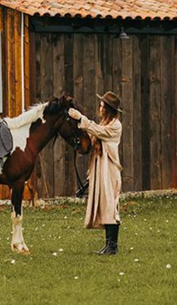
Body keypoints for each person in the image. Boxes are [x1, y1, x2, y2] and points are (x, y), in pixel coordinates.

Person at [68, 91, 123, 256]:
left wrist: (81, 118)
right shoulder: (105, 123)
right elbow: (94, 133)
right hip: (101, 169)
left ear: (107, 109)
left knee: (110, 206)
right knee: (105, 205)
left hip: (109, 170)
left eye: (102, 106)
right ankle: (109, 244)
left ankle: (112, 245)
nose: (100, 108)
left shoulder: (115, 126)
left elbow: (98, 131)